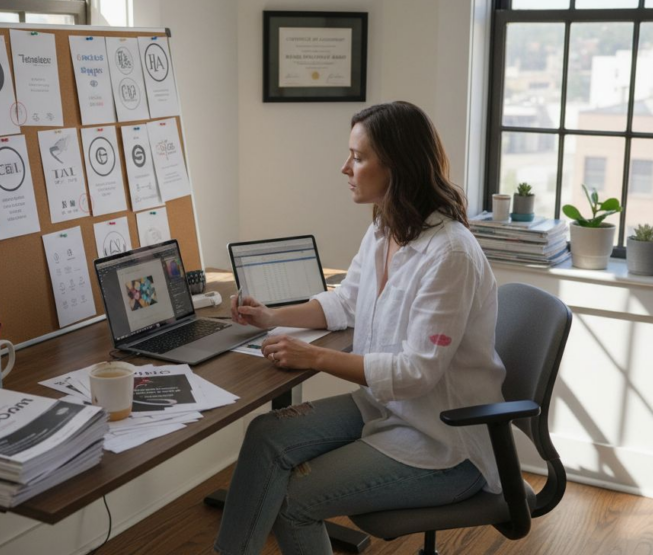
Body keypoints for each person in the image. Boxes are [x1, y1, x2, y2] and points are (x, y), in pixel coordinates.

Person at [214, 101, 507, 555]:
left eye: (358, 156)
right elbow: (348, 300)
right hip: (384, 409)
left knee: (294, 501)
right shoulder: (385, 228)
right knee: (266, 434)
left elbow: (415, 374)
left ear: (398, 166)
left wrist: (315, 357)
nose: (345, 167)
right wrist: (273, 316)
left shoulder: (450, 255)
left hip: (442, 442)